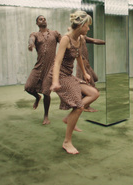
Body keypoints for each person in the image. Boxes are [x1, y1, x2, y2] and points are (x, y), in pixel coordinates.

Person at [48, 10, 99, 155]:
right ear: (81, 25)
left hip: (69, 75)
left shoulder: (81, 39)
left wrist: (85, 73)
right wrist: (55, 81)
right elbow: (57, 62)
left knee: (94, 93)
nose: (88, 28)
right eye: (87, 26)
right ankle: (67, 142)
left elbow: (79, 56)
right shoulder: (66, 39)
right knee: (78, 106)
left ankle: (69, 118)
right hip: (60, 76)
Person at [24, 15, 61, 125]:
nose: (43, 20)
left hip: (51, 68)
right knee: (28, 87)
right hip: (39, 66)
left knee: (46, 92)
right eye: (40, 19)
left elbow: (64, 41)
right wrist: (31, 45)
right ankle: (37, 97)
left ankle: (46, 116)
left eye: (44, 18)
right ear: (37, 23)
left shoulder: (54, 33)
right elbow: (31, 40)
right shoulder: (35, 34)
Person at [76, 32, 105, 112]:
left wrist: (105, 42)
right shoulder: (76, 36)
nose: (88, 28)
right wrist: (82, 61)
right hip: (82, 65)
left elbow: (94, 41)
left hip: (87, 64)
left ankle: (83, 104)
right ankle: (85, 106)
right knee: (90, 86)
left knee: (95, 78)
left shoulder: (83, 36)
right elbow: (76, 51)